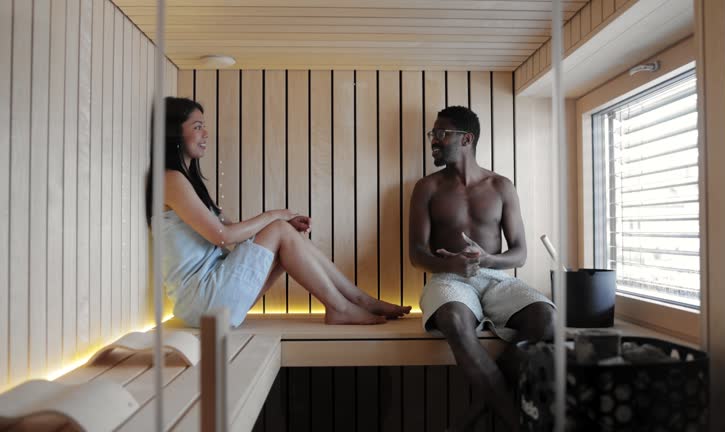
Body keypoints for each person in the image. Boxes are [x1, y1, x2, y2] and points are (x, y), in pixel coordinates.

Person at [146, 97, 411, 328]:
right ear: (173, 133)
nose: (206, 133)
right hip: (202, 300)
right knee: (280, 230)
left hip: (213, 294)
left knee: (285, 237)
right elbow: (223, 236)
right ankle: (343, 307)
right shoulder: (170, 180)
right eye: (197, 126)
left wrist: (282, 224)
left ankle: (358, 300)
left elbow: (232, 230)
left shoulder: (187, 182)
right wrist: (275, 216)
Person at [409, 106, 555, 430]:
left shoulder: (501, 186)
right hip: (448, 278)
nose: (433, 140)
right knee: (452, 319)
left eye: (440, 133)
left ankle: (474, 414)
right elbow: (417, 254)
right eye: (432, 134)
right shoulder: (427, 188)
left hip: (495, 277)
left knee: (547, 318)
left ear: (466, 138)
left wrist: (487, 259)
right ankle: (517, 424)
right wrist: (449, 262)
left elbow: (519, 254)